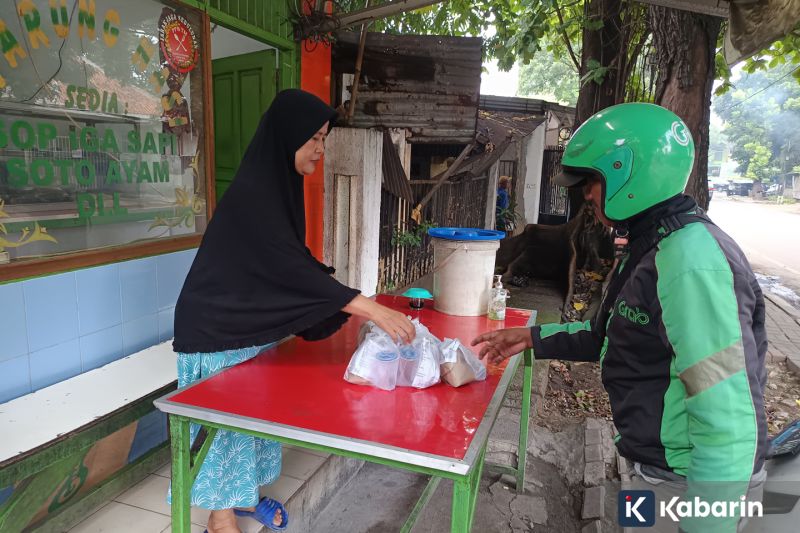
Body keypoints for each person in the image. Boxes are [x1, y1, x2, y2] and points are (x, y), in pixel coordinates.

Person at [472, 103, 767, 532]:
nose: (588, 194)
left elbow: (728, 422)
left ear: (632, 171)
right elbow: (610, 333)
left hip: (686, 485)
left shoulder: (691, 265)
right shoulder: (656, 244)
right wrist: (533, 337)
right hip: (646, 464)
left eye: (592, 180)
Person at [170, 89, 415, 533]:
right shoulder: (252, 195)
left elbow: (291, 261)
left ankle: (243, 499)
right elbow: (284, 264)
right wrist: (368, 308)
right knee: (225, 431)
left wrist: (337, 294)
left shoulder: (276, 187)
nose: (321, 149)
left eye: (323, 137)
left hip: (243, 327)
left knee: (250, 420)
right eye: (315, 138)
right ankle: (219, 519)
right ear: (287, 137)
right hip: (213, 330)